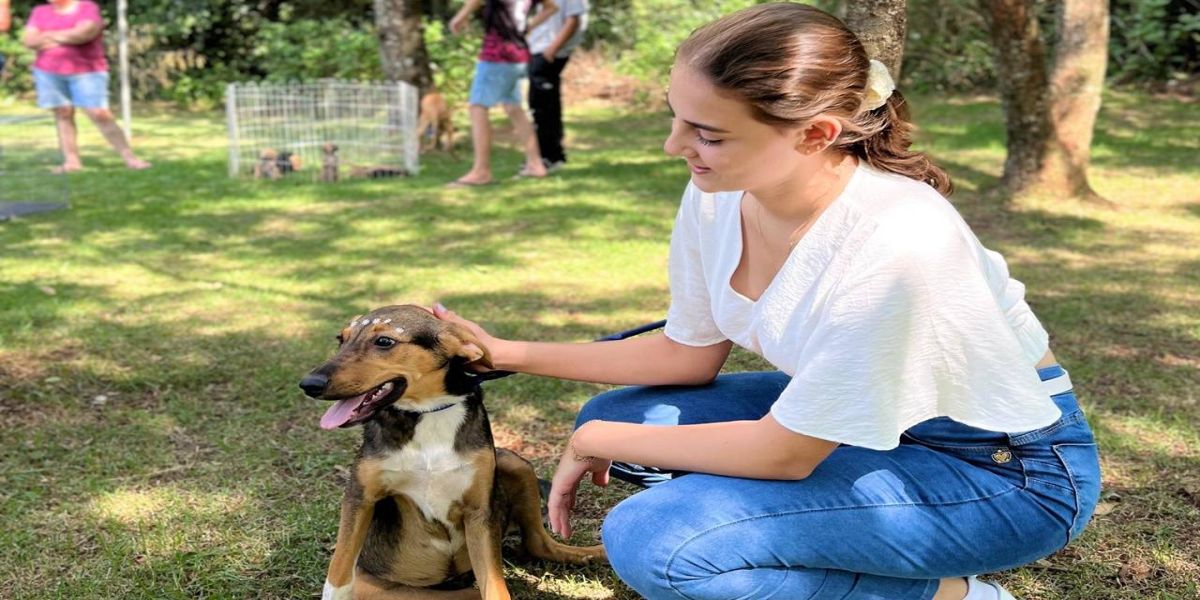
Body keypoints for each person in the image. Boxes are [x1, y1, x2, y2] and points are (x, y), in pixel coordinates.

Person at [432, 4, 1101, 600]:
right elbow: (687, 354)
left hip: (1005, 473)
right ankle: (785, 527)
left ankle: (949, 594)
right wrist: (506, 353)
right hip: (867, 426)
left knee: (657, 541)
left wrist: (596, 441)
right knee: (628, 416)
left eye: (709, 133)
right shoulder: (718, 193)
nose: (675, 147)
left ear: (815, 134)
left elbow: (787, 454)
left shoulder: (898, 239)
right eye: (678, 119)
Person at [22, 0, 149, 172]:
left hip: (86, 70)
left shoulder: (87, 7)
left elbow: (84, 34)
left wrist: (47, 36)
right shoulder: (40, 11)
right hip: (48, 71)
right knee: (63, 114)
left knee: (99, 114)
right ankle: (72, 161)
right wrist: (67, 36)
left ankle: (130, 158)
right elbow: (29, 40)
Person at [447, 0, 557, 187]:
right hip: (518, 53)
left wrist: (461, 16)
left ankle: (481, 171)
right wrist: (527, 26)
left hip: (497, 54)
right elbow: (551, 7)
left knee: (477, 107)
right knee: (513, 107)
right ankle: (535, 164)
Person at [525, 0, 587, 174]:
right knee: (545, 104)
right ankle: (554, 154)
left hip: (550, 52)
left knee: (542, 107)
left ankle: (548, 156)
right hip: (538, 49)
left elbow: (573, 20)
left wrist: (552, 50)